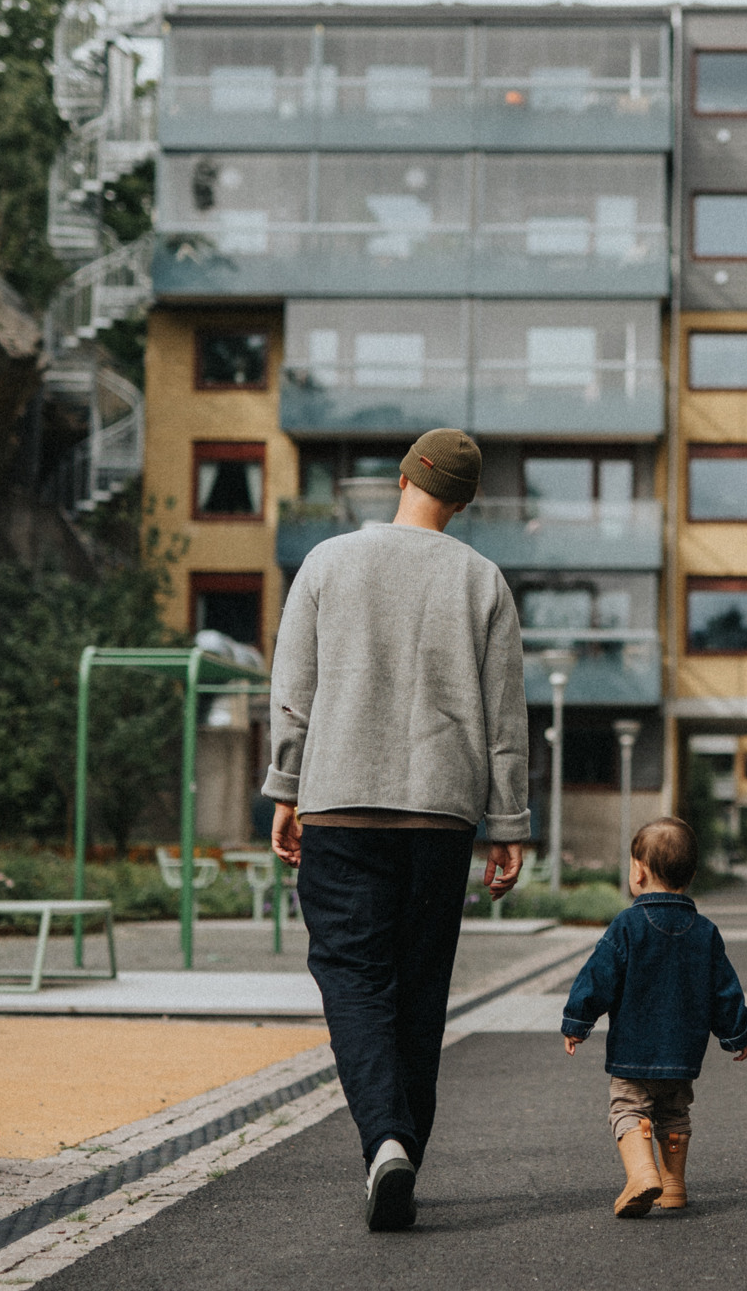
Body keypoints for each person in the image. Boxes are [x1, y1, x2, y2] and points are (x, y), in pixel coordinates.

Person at [266, 428, 530, 1233]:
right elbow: (504, 720)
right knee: (420, 986)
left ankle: (384, 1138)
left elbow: (293, 691)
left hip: (340, 802)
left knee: (352, 977)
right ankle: (403, 1145)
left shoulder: (327, 563)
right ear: (464, 500)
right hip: (439, 813)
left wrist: (286, 788)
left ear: (406, 478)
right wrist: (508, 821)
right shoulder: (482, 581)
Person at [560, 817, 747, 1217]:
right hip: (682, 1055)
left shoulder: (627, 925)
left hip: (634, 1052)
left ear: (639, 872)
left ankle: (643, 1173)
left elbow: (598, 976)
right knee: (674, 1114)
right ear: (691, 875)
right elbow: (724, 989)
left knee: (627, 1108)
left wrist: (578, 1021)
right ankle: (674, 1186)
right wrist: (735, 1034)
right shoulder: (706, 931)